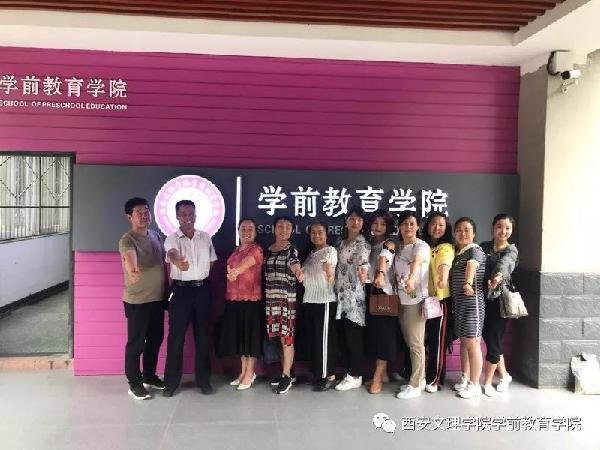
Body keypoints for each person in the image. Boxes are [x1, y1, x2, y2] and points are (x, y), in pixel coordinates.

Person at [162, 200, 217, 397]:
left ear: (196, 215)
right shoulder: (171, 239)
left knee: (203, 337)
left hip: (202, 291)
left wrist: (199, 275)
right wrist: (178, 262)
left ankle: (204, 381)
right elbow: (172, 254)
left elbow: (212, 261)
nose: (188, 217)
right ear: (177, 217)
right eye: (183, 214)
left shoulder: (205, 237)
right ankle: (170, 384)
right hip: (181, 292)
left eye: (191, 213)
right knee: (176, 338)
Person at [377, 211, 430, 400]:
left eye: (412, 224)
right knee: (410, 342)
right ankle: (420, 379)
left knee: (416, 343)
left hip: (416, 300)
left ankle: (415, 385)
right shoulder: (398, 247)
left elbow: (417, 262)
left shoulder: (421, 246)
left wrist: (412, 278)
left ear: (418, 226)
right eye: (404, 224)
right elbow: (386, 258)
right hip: (401, 300)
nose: (408, 227)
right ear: (399, 227)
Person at [118, 197, 166, 400]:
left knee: (155, 340)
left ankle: (149, 376)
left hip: (158, 299)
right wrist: (132, 270)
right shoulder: (127, 240)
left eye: (146, 211)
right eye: (139, 212)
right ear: (129, 217)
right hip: (138, 301)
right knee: (136, 344)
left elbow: (163, 261)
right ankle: (134, 384)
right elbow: (129, 258)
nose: (144, 215)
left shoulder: (155, 236)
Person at [220, 219, 264, 391]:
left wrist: (236, 271)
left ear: (255, 232)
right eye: (243, 229)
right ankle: (244, 372)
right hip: (234, 299)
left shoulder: (256, 249)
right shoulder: (235, 250)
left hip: (251, 300)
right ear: (238, 231)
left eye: (250, 229)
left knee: (250, 338)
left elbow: (248, 262)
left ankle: (250, 372)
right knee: (241, 338)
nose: (246, 232)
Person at [264, 216, 303, 394]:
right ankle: (288, 372)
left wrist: (298, 272)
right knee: (279, 339)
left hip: (286, 300)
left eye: (287, 227)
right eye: (280, 226)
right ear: (274, 229)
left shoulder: (291, 249)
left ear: (292, 231)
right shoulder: (268, 250)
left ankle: (286, 376)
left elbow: (294, 263)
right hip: (271, 300)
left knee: (286, 338)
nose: (283, 230)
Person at [481, 214, 519, 397]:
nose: (503, 231)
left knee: (493, 338)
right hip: (483, 299)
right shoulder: (484, 246)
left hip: (500, 301)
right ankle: (504, 375)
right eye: (499, 227)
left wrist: (497, 278)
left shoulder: (511, 250)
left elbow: (505, 265)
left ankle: (487, 383)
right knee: (490, 339)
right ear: (493, 227)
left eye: (507, 228)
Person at [334, 206, 370, 391]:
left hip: (355, 298)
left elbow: (363, 263)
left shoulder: (363, 244)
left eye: (359, 219)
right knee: (343, 338)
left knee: (353, 337)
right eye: (352, 218)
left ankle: (355, 375)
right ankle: (349, 372)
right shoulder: (340, 244)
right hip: (339, 297)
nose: (355, 222)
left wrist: (364, 272)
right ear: (346, 221)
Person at [451, 217, 487, 399]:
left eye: (467, 230)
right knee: (464, 342)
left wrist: (467, 283)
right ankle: (465, 378)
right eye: (459, 230)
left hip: (472, 304)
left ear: (474, 234)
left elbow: (472, 265)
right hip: (459, 304)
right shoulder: (459, 253)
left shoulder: (475, 250)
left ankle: (475, 385)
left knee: (472, 343)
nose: (462, 233)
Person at [301, 222, 338, 391]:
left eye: (320, 232)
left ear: (326, 234)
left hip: (325, 301)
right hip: (310, 300)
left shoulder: (330, 251)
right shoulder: (310, 255)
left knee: (324, 341)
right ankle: (318, 373)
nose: (316, 235)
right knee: (315, 340)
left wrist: (329, 272)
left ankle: (329, 376)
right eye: (313, 232)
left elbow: (329, 264)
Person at [421, 212, 455, 393]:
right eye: (433, 223)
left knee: (437, 341)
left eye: (441, 225)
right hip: (422, 299)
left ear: (446, 228)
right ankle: (420, 374)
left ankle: (434, 379)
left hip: (439, 301)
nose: (437, 228)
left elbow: (444, 263)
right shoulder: (424, 246)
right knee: (422, 340)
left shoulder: (446, 248)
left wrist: (442, 278)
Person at [366, 209, 397, 394]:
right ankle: (382, 374)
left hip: (384, 292)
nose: (378, 227)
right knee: (374, 336)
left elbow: (385, 256)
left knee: (383, 337)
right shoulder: (369, 243)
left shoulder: (389, 243)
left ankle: (378, 377)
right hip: (370, 292)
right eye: (375, 223)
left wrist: (380, 274)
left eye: (383, 224)